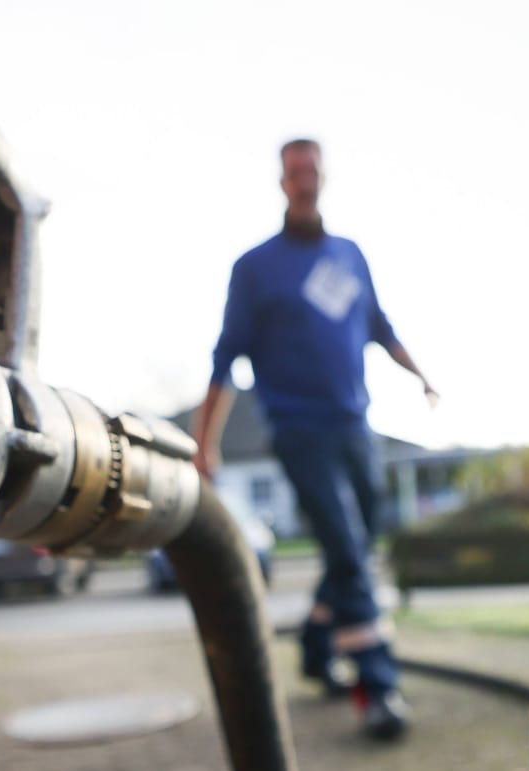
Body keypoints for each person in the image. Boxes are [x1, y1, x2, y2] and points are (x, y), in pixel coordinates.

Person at [191, 138, 437, 740]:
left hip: (356, 425)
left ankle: (314, 648)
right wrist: (206, 442)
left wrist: (423, 376)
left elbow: (379, 327)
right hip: (299, 431)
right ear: (282, 181)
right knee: (350, 550)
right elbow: (225, 358)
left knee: (355, 544)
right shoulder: (256, 268)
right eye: (294, 171)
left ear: (323, 176)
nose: (304, 179)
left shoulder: (349, 256)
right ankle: (376, 687)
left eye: (312, 169)